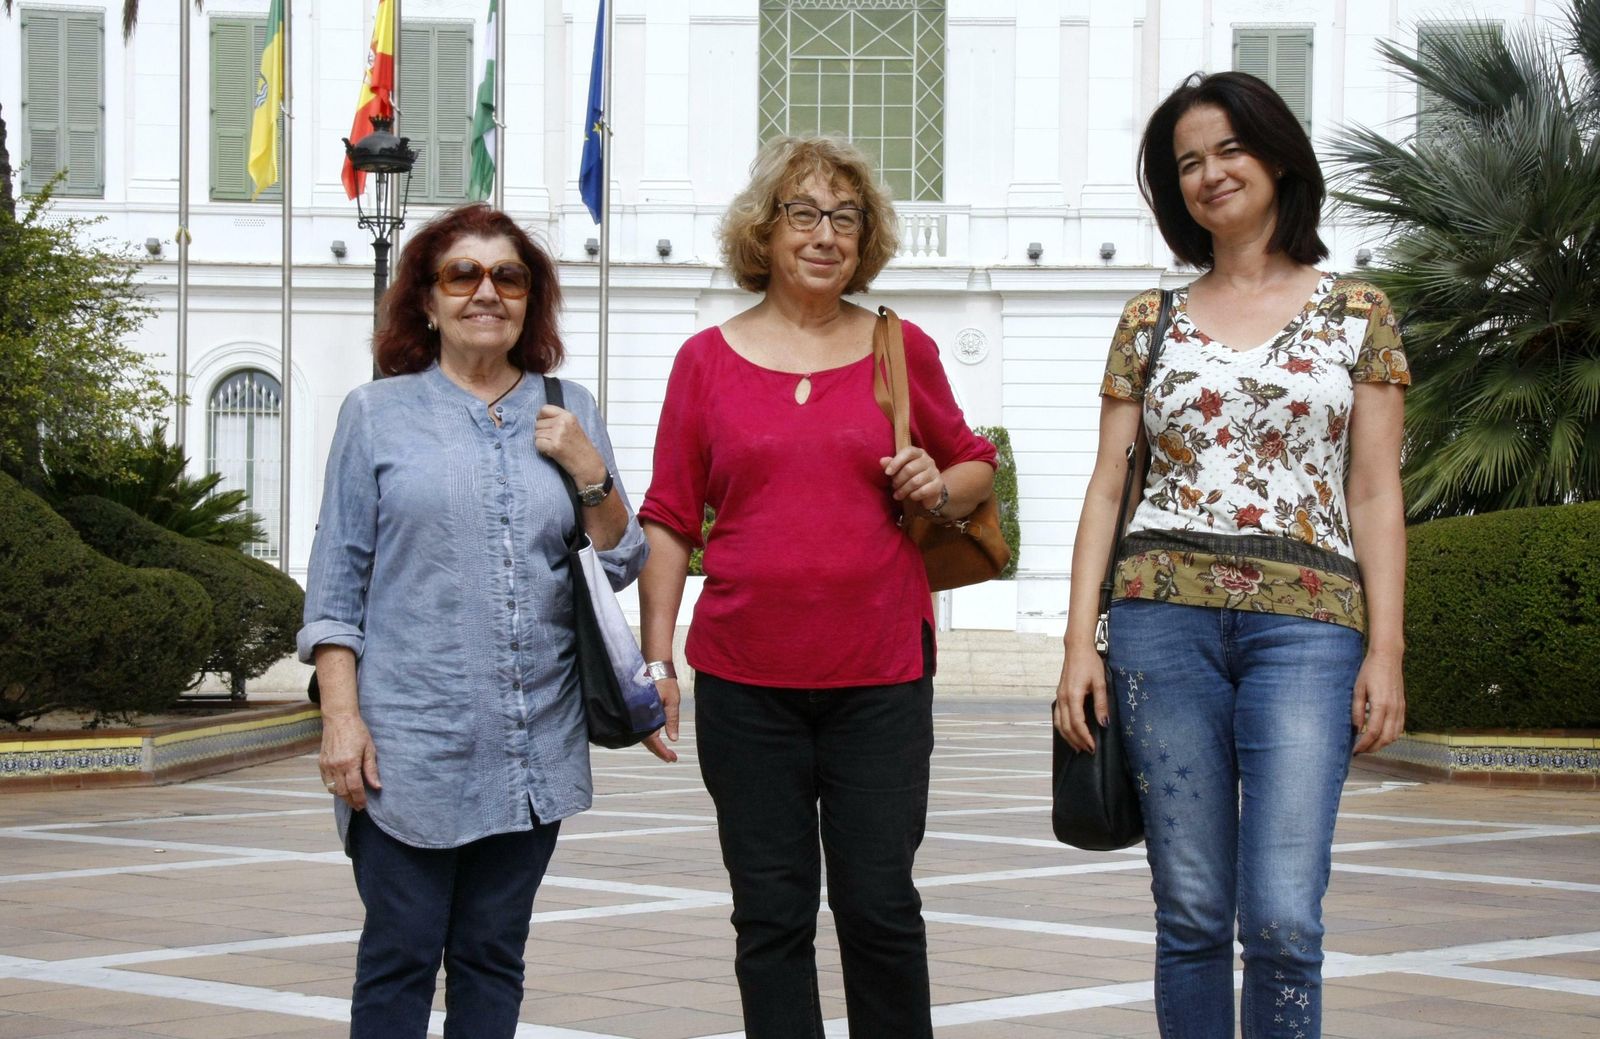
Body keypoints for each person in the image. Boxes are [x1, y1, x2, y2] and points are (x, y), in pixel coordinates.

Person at [1052, 72, 1409, 1038]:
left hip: (1311, 632)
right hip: (1159, 627)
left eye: (1228, 150)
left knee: (1287, 916)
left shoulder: (1359, 314)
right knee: (1194, 912)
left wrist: (1387, 650)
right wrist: (1079, 643)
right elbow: (1105, 489)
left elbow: (1375, 493)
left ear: (1278, 155)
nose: (1210, 174)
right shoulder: (1148, 319)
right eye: (1188, 163)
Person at [636, 135, 997, 1037]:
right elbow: (671, 519)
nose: (826, 234)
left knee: (879, 906)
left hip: (878, 673)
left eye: (846, 217)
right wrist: (656, 659)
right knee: (770, 913)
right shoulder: (704, 362)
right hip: (745, 679)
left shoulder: (897, 346)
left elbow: (976, 467)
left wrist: (934, 482)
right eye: (805, 212)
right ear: (766, 229)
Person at [298, 202, 672, 1039]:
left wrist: (586, 467)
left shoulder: (567, 405)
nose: (486, 292)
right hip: (408, 748)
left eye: (508, 276)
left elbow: (620, 558)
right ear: (426, 301)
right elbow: (337, 581)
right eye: (462, 274)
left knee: (493, 956)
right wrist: (341, 717)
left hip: (530, 741)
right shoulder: (376, 414)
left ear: (529, 300)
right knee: (399, 955)